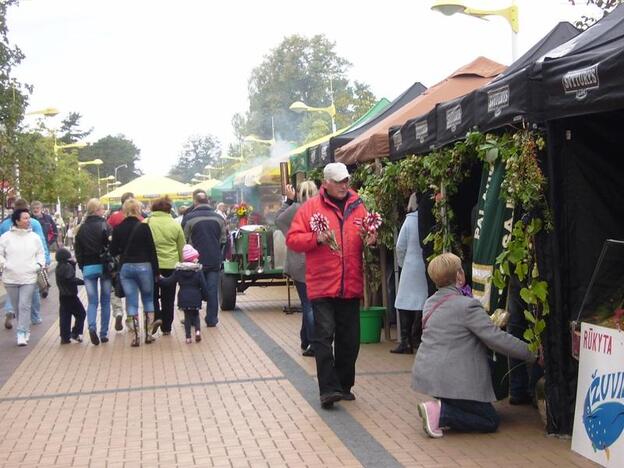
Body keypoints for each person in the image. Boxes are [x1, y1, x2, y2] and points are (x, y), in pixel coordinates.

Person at [412, 253, 537, 438]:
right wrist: (532, 353)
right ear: (459, 276)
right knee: (490, 420)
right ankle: (440, 413)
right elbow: (496, 339)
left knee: (478, 412)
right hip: (452, 379)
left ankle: (442, 408)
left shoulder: (430, 303)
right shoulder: (467, 306)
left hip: (430, 376)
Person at [287, 162, 374, 409]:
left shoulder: (358, 205)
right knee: (323, 337)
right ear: (325, 183)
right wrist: (316, 238)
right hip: (322, 284)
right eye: (338, 181)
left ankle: (344, 385)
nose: (344, 185)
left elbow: (367, 233)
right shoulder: (310, 208)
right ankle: (328, 390)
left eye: (346, 180)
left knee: (350, 340)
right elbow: (293, 239)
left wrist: (371, 239)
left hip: (350, 283)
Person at [109, 198, 161, 347]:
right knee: (148, 300)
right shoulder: (144, 227)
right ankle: (149, 335)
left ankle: (136, 336)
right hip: (145, 266)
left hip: (126, 267)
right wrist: (156, 271)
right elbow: (152, 250)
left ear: (124, 210)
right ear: (138, 209)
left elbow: (113, 250)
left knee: (131, 301)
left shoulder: (118, 228)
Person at [276, 181, 318, 357]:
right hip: (317, 261)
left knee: (307, 304)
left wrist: (289, 201)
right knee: (312, 303)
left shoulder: (296, 209)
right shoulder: (319, 208)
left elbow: (278, 220)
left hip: (299, 262)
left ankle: (314, 342)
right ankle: (306, 339)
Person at [0, 199, 50, 329]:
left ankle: (10, 310)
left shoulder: (5, 224)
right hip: (30, 264)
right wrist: (45, 259)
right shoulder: (34, 223)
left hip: (12, 266)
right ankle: (35, 316)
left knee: (14, 292)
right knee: (32, 290)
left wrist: (4, 264)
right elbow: (41, 242)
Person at [182, 191, 226, 327]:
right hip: (213, 259)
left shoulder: (188, 218)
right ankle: (211, 319)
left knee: (192, 288)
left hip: (194, 261)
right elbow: (223, 239)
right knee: (212, 290)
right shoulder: (219, 218)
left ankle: (192, 319)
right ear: (208, 201)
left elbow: (184, 239)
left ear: (195, 202)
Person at [392, 193, 429, 354]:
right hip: (425, 264)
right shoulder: (429, 217)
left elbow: (400, 246)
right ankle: (419, 339)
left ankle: (406, 342)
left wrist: (402, 263)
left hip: (410, 264)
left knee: (403, 302)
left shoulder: (410, 220)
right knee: (422, 302)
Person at [74, 198, 112, 346]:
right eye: (102, 208)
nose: (103, 211)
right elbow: (111, 245)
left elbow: (78, 251)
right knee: (106, 300)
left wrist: (82, 266)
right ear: (97, 210)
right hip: (104, 266)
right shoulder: (105, 225)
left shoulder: (81, 228)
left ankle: (91, 326)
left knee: (92, 301)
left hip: (88, 267)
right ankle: (104, 333)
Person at [146, 196, 185, 335]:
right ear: (169, 209)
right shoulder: (175, 224)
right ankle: (167, 327)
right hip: (171, 265)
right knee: (169, 297)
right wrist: (181, 264)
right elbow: (182, 247)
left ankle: (157, 317)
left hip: (152, 265)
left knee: (152, 294)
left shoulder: (147, 222)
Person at [159, 245, 209, 344]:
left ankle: (188, 338)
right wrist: (205, 296)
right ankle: (198, 332)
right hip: (195, 297)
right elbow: (203, 286)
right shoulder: (198, 271)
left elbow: (169, 281)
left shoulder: (179, 271)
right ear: (193, 258)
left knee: (187, 317)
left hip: (183, 297)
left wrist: (160, 279)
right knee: (196, 315)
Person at [55, 247, 86, 344]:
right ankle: (76, 332)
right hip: (71, 296)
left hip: (63, 295)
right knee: (81, 313)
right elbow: (71, 279)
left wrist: (72, 264)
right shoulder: (67, 267)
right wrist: (83, 282)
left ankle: (65, 336)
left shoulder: (58, 267)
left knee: (65, 316)